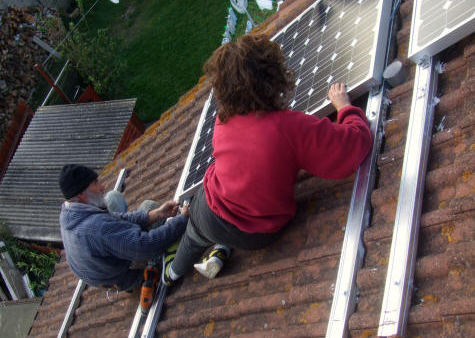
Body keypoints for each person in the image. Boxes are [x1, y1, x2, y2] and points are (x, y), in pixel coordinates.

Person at [161, 34, 373, 285]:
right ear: (273, 76)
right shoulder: (291, 128)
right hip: (258, 234)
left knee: (193, 236)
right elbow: (353, 147)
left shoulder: (223, 119)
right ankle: (221, 247)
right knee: (223, 221)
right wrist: (344, 107)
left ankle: (172, 274)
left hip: (209, 214)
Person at [58, 164, 188, 291]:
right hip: (127, 276)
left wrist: (158, 214)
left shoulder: (70, 212)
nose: (102, 186)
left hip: (105, 268)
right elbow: (146, 245)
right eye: (96, 183)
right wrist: (180, 221)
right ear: (81, 195)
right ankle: (150, 268)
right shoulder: (96, 228)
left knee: (113, 198)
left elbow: (117, 218)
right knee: (149, 206)